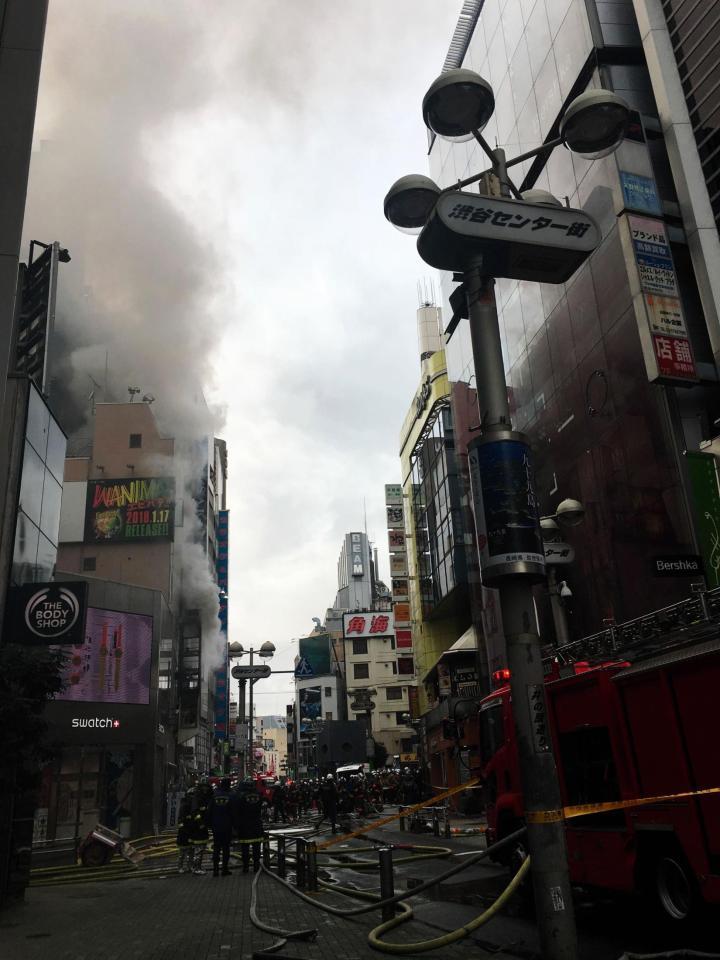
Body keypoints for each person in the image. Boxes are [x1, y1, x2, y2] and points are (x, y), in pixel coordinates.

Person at [206, 777, 235, 877]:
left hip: (216, 825)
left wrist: (209, 824)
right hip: (227, 825)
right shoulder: (231, 795)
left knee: (217, 847)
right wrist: (234, 825)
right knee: (226, 848)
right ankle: (224, 869)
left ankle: (215, 870)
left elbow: (209, 811)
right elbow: (233, 812)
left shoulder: (214, 795)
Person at [235, 778, 264, 873]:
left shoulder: (240, 797)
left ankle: (246, 867)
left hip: (244, 826)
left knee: (245, 848)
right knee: (256, 848)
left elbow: (237, 811)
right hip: (256, 825)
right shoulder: (259, 795)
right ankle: (256, 866)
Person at [188, 791, 210, 875]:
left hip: (198, 831)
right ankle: (196, 868)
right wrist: (201, 823)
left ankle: (195, 867)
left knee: (198, 850)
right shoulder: (195, 805)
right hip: (198, 831)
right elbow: (197, 815)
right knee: (199, 850)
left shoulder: (192, 804)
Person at [176, 794, 194, 874]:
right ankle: (180, 867)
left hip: (189, 833)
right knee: (182, 852)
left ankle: (189, 867)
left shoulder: (191, 807)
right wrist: (185, 832)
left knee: (190, 852)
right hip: (183, 835)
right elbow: (180, 822)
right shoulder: (184, 808)